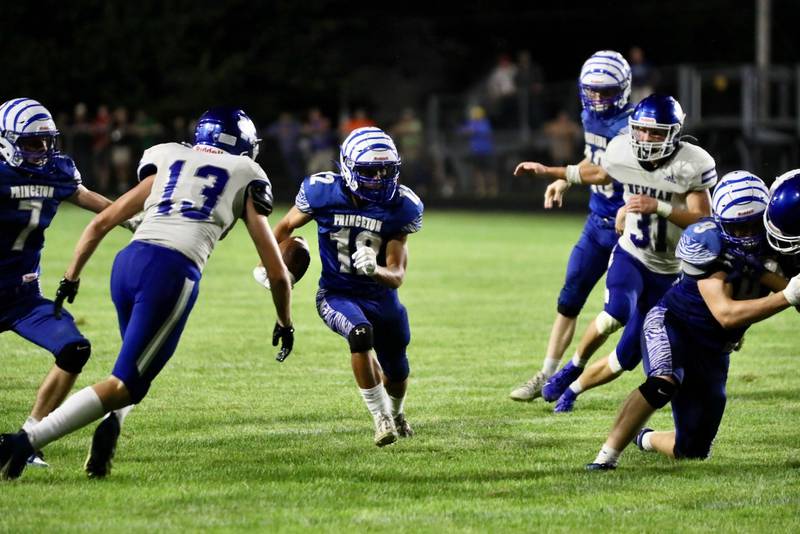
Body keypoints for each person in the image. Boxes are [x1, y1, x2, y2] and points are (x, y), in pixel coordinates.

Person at [0, 107, 294, 480]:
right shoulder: (248, 173)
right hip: (171, 272)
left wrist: (71, 277)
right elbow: (277, 273)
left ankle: (112, 421)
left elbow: (103, 221)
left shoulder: (168, 154)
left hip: (127, 264)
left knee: (135, 365)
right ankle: (25, 440)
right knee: (127, 380)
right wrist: (285, 322)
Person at [587, 172, 800, 470]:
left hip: (715, 348)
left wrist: (775, 280)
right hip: (675, 324)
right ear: (723, 223)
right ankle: (605, 458)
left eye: (754, 224)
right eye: (739, 228)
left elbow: (782, 286)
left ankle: (643, 438)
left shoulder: (776, 243)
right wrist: (787, 294)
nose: (748, 235)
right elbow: (725, 314)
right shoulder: (708, 239)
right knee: (663, 381)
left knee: (692, 450)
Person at [540, 93, 716, 412]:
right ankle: (573, 367)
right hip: (631, 254)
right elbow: (602, 174)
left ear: (674, 133)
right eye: (642, 131)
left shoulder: (691, 163)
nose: (647, 139)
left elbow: (704, 221)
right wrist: (562, 179)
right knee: (614, 314)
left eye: (657, 132)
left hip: (669, 272)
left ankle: (574, 390)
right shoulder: (621, 150)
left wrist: (658, 207)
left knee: (625, 358)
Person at [0, 97, 134, 468]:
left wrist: (130, 219)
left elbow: (86, 198)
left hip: (24, 297)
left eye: (45, 142)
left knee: (74, 348)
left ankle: (30, 438)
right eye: (30, 143)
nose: (41, 150)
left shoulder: (56, 171)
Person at [272, 127, 423, 447]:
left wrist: (375, 269)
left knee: (397, 372)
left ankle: (396, 413)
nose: (380, 179)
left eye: (387, 170)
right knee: (360, 334)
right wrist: (268, 264)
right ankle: (380, 418)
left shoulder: (402, 206)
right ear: (349, 168)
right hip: (337, 294)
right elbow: (285, 227)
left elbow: (397, 275)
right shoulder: (323, 192)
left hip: (383, 299)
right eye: (370, 171)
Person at [509, 50, 633, 402]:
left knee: (623, 311)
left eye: (605, 92)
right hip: (597, 222)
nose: (596, 98)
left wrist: (554, 172)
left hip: (632, 227)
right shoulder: (591, 116)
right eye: (591, 90)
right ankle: (546, 375)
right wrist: (567, 181)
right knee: (570, 298)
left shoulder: (629, 125)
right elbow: (593, 159)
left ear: (622, 90)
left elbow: (605, 171)